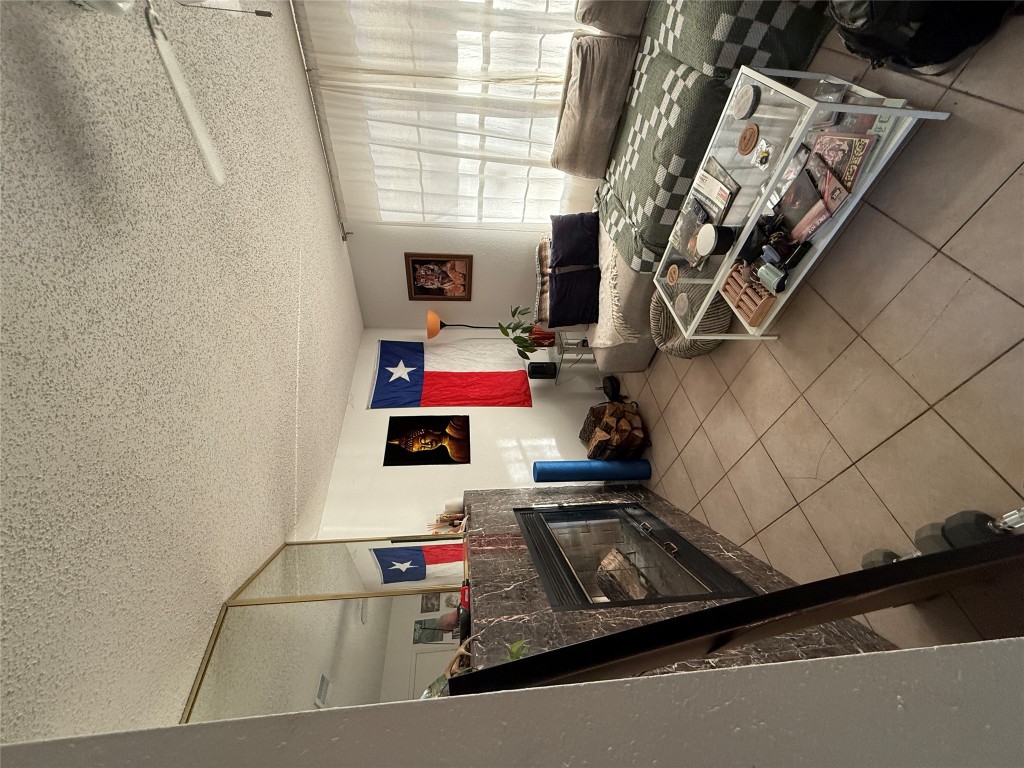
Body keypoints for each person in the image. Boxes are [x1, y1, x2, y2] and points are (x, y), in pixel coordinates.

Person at [388, 416, 469, 463]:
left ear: (427, 431)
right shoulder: (455, 455)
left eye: (423, 441)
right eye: (423, 448)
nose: (428, 445)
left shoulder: (455, 425)